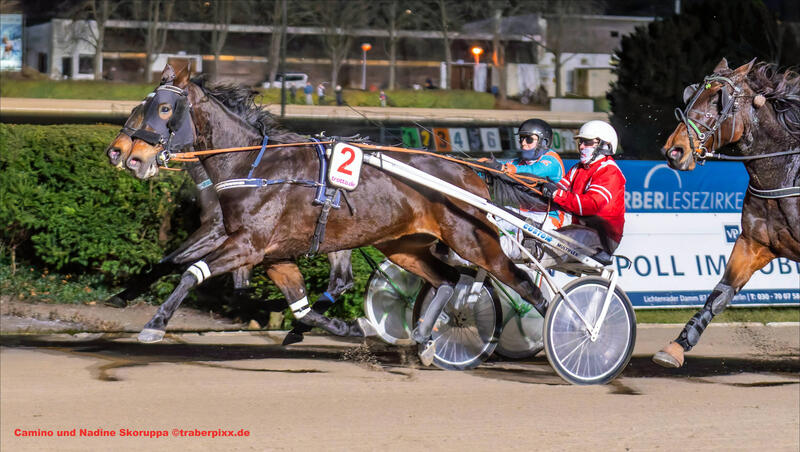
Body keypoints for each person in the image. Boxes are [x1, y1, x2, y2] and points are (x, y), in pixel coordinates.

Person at [538, 120, 626, 263]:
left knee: (537, 250)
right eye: (580, 142)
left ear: (605, 145)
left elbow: (590, 205)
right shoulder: (578, 168)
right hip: (579, 230)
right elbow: (560, 189)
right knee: (532, 234)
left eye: (587, 142)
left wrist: (556, 194)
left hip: (601, 238)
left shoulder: (609, 171)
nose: (581, 146)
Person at [495, 119, 567, 259]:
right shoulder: (519, 162)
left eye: (528, 139)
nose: (523, 143)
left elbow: (533, 171)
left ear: (543, 142)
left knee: (507, 246)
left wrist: (508, 169)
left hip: (549, 220)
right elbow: (500, 165)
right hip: (525, 215)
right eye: (521, 138)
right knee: (491, 216)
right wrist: (484, 164)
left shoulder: (551, 160)